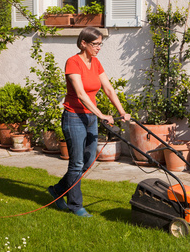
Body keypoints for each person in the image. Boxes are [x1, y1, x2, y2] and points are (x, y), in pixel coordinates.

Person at [48, 27, 130, 217]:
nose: (99, 48)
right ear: (83, 43)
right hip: (74, 117)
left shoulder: (96, 63)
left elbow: (108, 89)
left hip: (90, 118)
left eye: (100, 44)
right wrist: (102, 115)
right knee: (76, 163)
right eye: (95, 44)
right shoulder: (73, 63)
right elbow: (80, 94)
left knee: (88, 161)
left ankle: (58, 191)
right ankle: (75, 206)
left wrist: (122, 111)